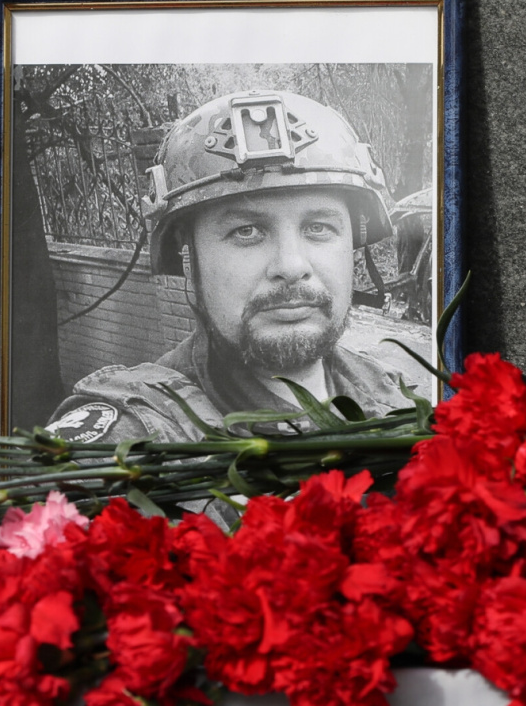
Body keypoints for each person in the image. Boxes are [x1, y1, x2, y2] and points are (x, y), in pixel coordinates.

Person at [44, 90, 412, 447]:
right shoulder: (143, 435)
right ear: (191, 257)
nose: (291, 266)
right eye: (246, 231)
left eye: (318, 228)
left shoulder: (392, 392)